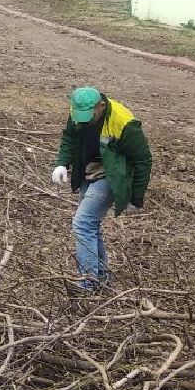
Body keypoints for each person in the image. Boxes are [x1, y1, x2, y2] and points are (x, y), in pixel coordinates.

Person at [50, 87, 152, 293]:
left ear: (101, 106)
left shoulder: (124, 122)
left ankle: (88, 282)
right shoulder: (78, 110)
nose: (84, 121)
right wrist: (62, 163)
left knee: (82, 223)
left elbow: (143, 160)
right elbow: (69, 136)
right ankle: (102, 275)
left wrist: (136, 198)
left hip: (113, 175)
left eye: (89, 115)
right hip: (89, 170)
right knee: (89, 225)